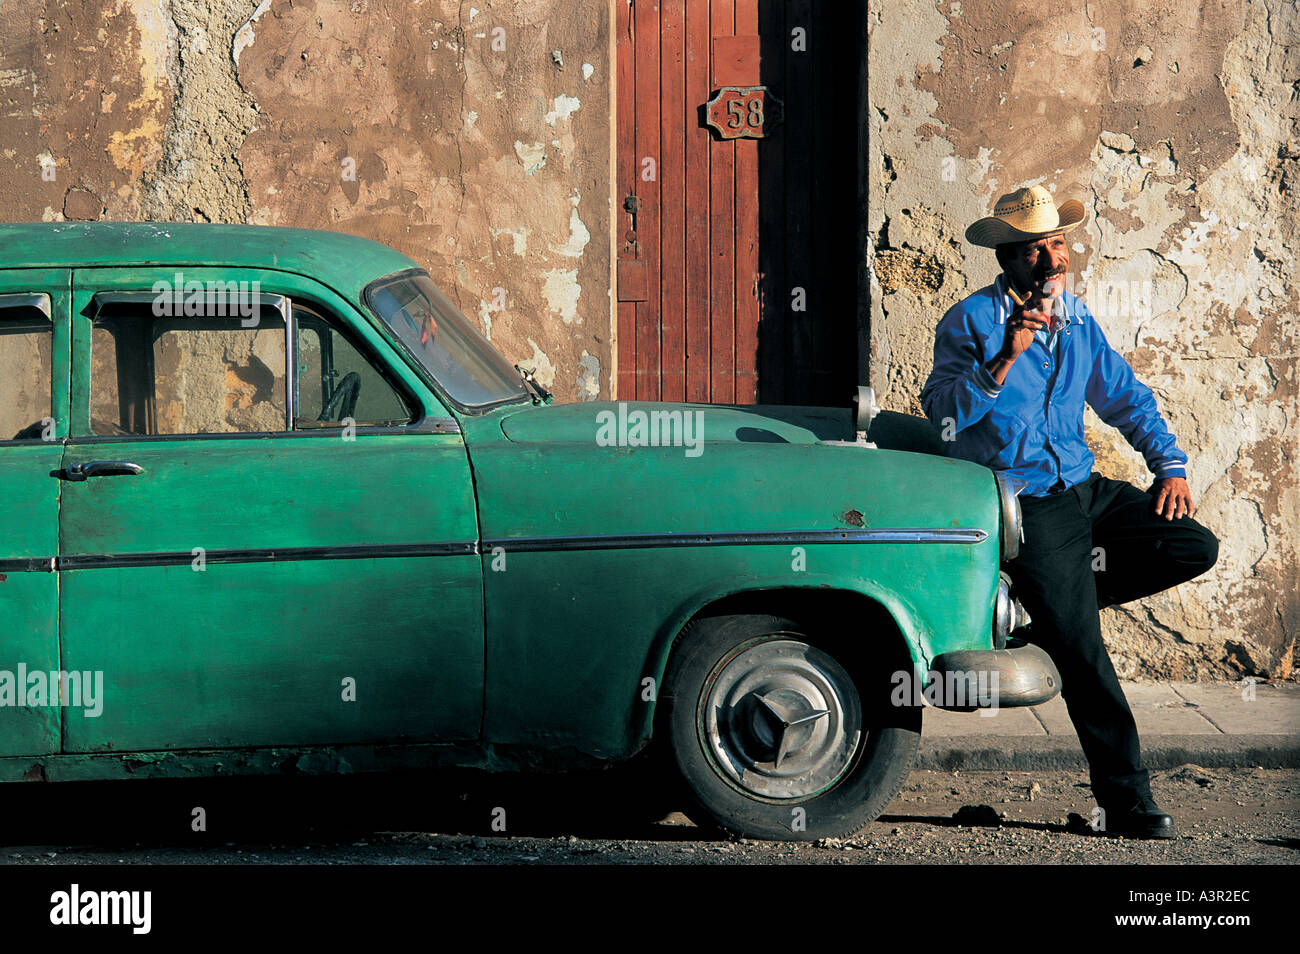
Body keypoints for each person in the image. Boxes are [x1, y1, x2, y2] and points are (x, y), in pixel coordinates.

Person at [920, 185, 1219, 839]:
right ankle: (1124, 800)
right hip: (1028, 503)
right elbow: (941, 418)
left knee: (1193, 546)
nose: (1053, 258)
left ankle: (1048, 612)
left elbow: (1124, 396)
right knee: (1086, 653)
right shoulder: (970, 322)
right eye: (1036, 249)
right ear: (1009, 259)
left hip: (1087, 490)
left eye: (1057, 243)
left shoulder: (1078, 318)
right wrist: (1005, 358)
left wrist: (1169, 465)